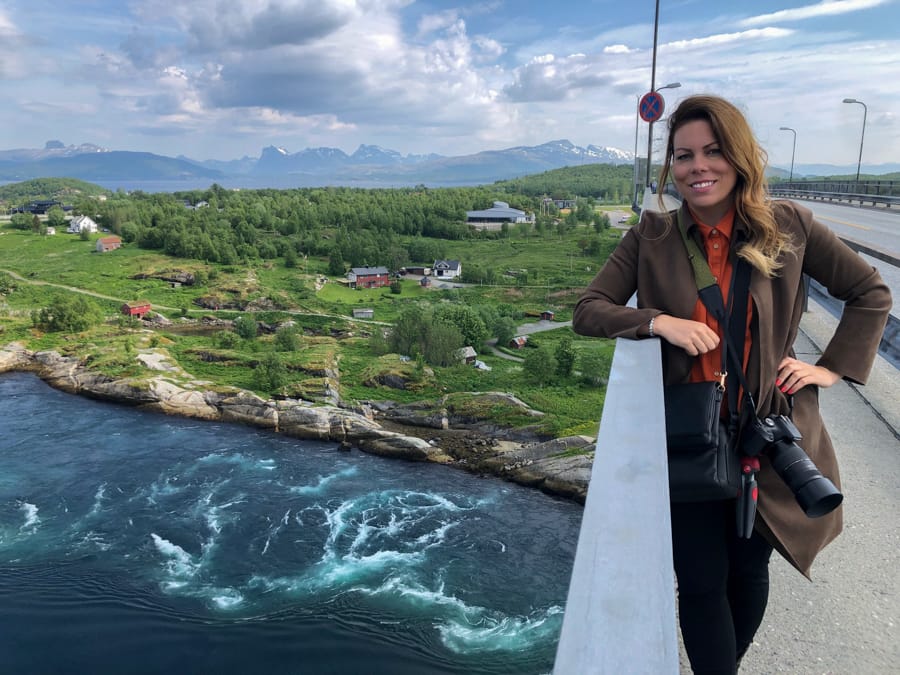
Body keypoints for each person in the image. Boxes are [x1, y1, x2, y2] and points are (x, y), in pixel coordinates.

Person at [572, 94, 891, 673]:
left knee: (749, 573)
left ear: (739, 157)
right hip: (690, 438)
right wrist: (656, 322)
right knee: (699, 582)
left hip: (767, 437)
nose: (699, 167)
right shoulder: (652, 235)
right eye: (684, 155)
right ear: (670, 166)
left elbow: (870, 292)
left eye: (713, 151)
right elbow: (588, 309)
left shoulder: (789, 227)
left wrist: (833, 366)